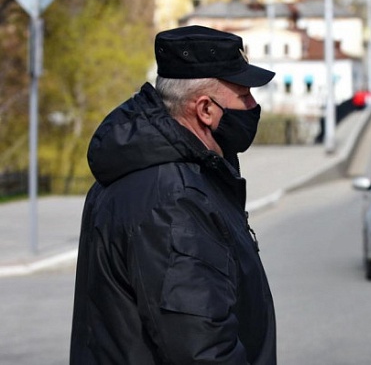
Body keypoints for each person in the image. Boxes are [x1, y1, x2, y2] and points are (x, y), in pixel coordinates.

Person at [70, 25, 277, 364]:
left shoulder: (171, 174)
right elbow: (203, 348)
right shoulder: (172, 201)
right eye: (243, 95)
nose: (253, 105)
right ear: (205, 109)